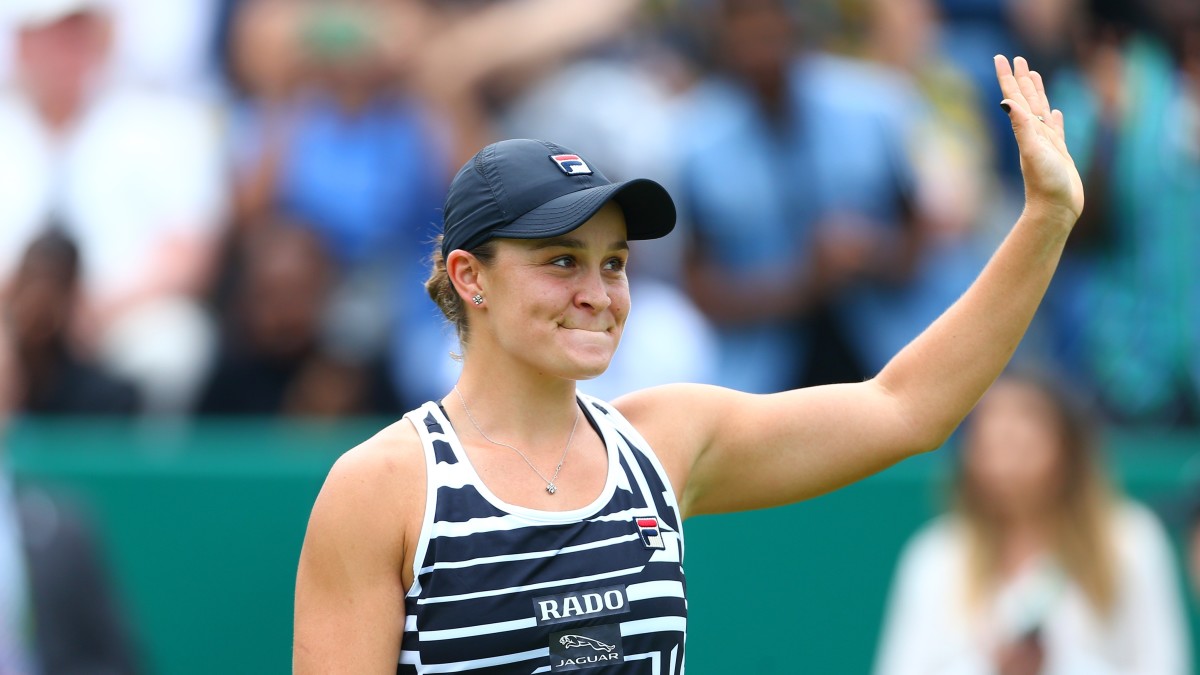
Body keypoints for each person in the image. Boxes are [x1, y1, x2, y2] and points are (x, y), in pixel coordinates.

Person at [294, 55, 1084, 672]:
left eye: (613, 262)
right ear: (471, 278)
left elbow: (907, 406)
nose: (598, 293)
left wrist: (1045, 220)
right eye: (562, 261)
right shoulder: (384, 487)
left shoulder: (662, 442)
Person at [873, 371, 1191, 674]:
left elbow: (1165, 667)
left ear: (1066, 447)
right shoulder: (935, 556)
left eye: (1020, 442)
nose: (1005, 462)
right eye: (991, 443)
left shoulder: (1131, 539)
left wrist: (1059, 666)